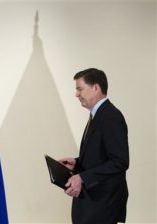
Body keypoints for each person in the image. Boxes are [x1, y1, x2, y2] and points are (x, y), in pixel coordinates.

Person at [59, 68, 129, 224]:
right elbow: (102, 155)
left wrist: (82, 177)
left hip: (102, 203)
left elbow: (120, 161)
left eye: (79, 88)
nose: (76, 94)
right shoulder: (97, 114)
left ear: (96, 88)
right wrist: (77, 162)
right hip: (93, 202)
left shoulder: (111, 117)